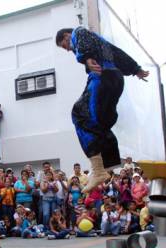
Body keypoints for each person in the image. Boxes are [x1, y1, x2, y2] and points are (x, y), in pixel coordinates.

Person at [56, 27, 149, 193]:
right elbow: (116, 52)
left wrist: (87, 58)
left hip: (102, 78)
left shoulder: (79, 33)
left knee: (79, 113)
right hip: (116, 79)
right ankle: (109, 165)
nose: (68, 49)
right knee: (101, 123)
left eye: (64, 45)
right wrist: (135, 69)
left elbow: (83, 42)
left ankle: (98, 170)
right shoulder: (100, 41)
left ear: (66, 36)